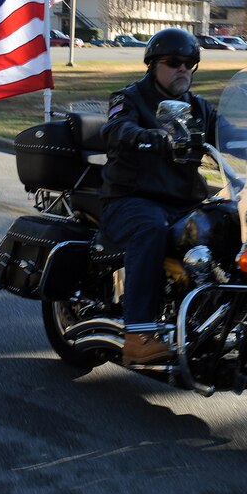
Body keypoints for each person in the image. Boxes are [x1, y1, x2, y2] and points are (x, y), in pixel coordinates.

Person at [100, 27, 218, 365]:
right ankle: (138, 334)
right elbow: (116, 127)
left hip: (183, 202)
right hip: (130, 200)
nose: (183, 69)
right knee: (150, 228)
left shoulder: (199, 108)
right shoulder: (129, 98)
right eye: (174, 62)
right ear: (153, 64)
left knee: (229, 222)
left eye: (189, 63)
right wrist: (146, 136)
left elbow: (230, 132)